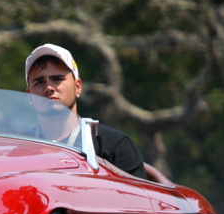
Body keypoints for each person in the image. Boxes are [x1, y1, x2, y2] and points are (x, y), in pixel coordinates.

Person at [25, 43, 147, 179]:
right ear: (29, 94)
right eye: (39, 82)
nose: (48, 87)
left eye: (57, 79)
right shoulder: (18, 149)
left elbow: (137, 199)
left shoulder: (113, 146)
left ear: (77, 87)